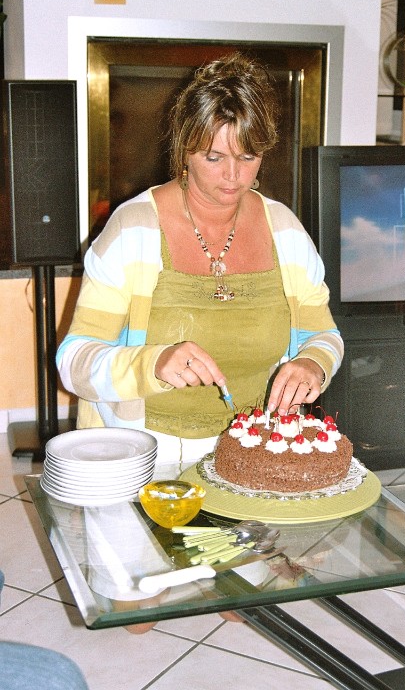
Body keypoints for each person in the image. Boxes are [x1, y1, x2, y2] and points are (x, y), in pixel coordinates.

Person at [57, 52, 343, 471]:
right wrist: (154, 363)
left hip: (257, 447)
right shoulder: (133, 229)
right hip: (143, 451)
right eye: (214, 157)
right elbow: (74, 362)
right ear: (185, 150)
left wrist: (312, 364)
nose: (233, 176)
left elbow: (325, 335)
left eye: (247, 157)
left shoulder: (285, 230)